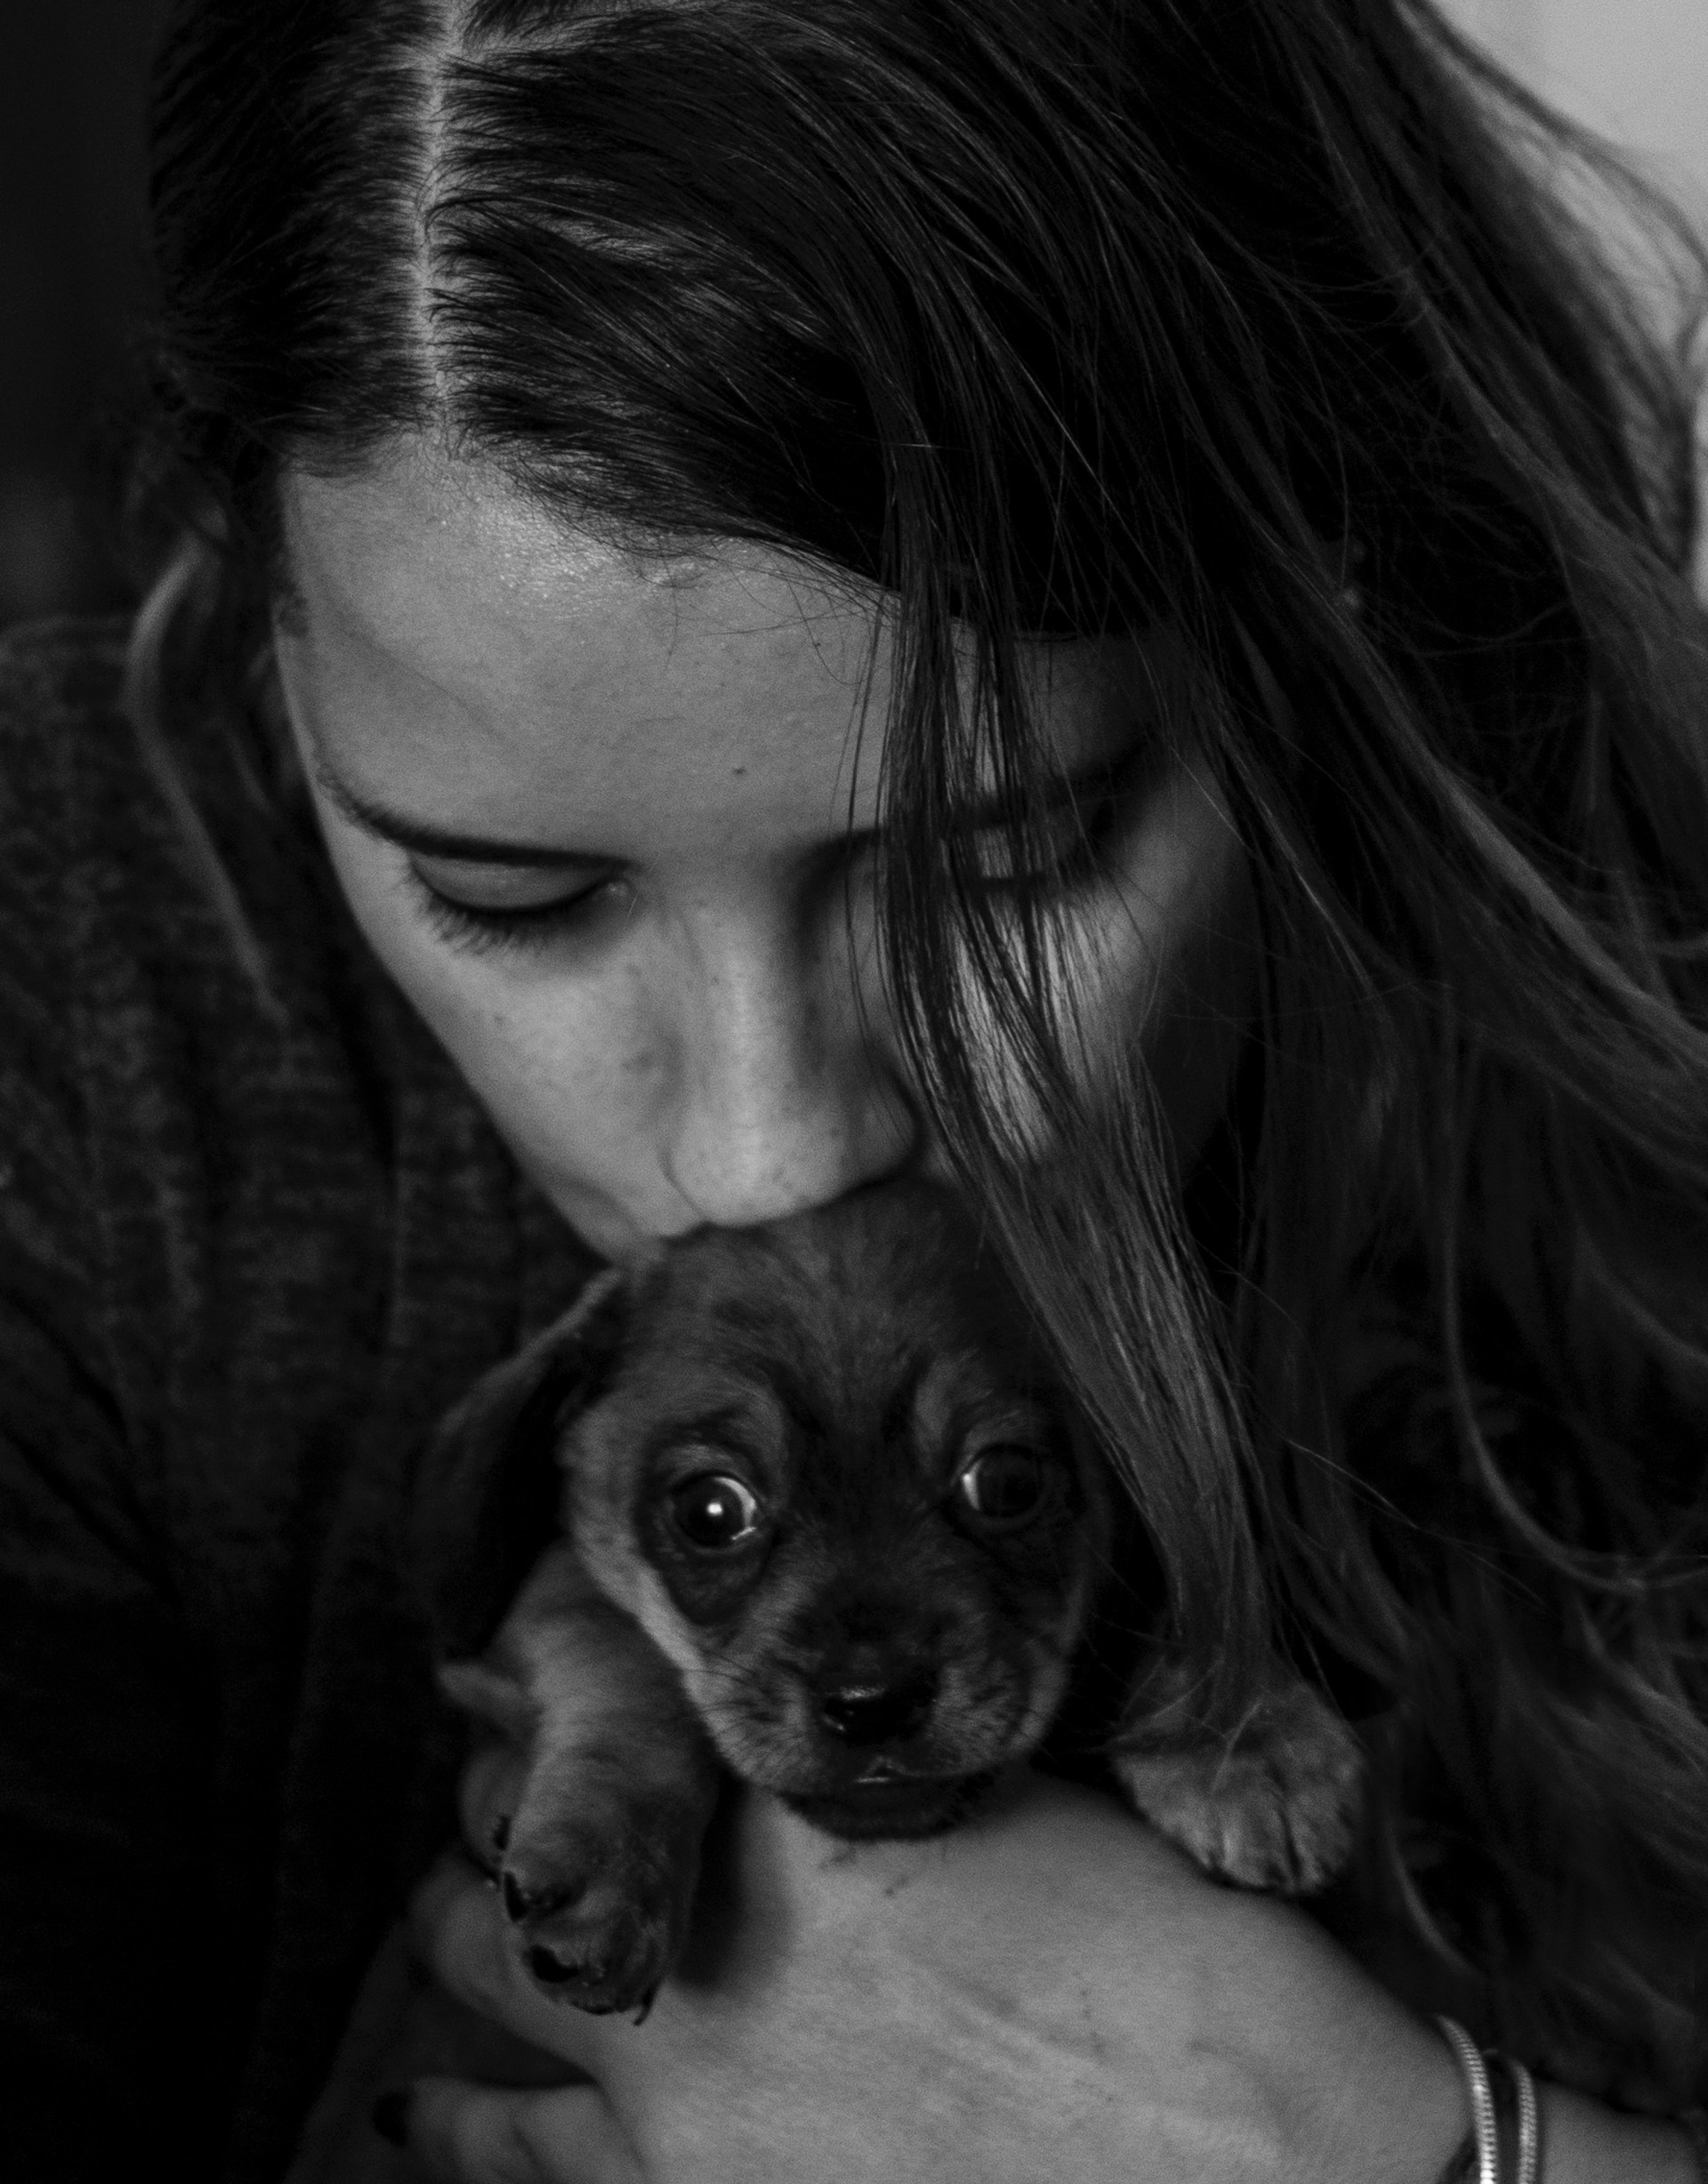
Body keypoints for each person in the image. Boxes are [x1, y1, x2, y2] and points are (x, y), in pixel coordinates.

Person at [3, 0, 1706, 2178]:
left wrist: (1400, 2153)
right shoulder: (70, 1008)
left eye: (994, 867)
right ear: (274, 643)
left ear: (1315, 631)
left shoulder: (1628, 1092)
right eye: (510, 894)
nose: (768, 1139)